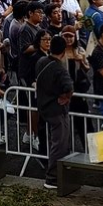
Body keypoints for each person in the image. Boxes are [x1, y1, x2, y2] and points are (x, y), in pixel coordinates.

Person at [35, 34, 74, 190]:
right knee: (60, 144)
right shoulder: (60, 69)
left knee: (54, 142)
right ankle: (52, 178)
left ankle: (57, 174)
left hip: (43, 107)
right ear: (64, 51)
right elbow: (69, 87)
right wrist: (66, 97)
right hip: (57, 110)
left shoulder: (41, 62)